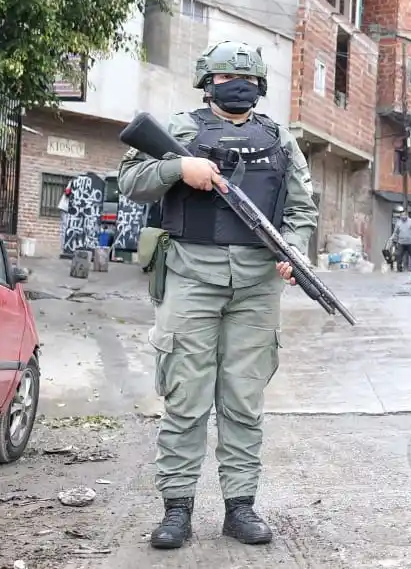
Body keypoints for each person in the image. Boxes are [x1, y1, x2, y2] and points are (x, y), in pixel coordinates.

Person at [117, 40, 318, 550]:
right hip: (190, 274)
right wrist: (176, 169)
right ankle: (177, 508)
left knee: (244, 399)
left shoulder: (280, 140)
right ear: (208, 83)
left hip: (256, 283)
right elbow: (130, 181)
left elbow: (301, 210)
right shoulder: (180, 130)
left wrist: (291, 251)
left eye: (246, 79)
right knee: (185, 397)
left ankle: (240, 507)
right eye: (228, 78)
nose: (238, 86)